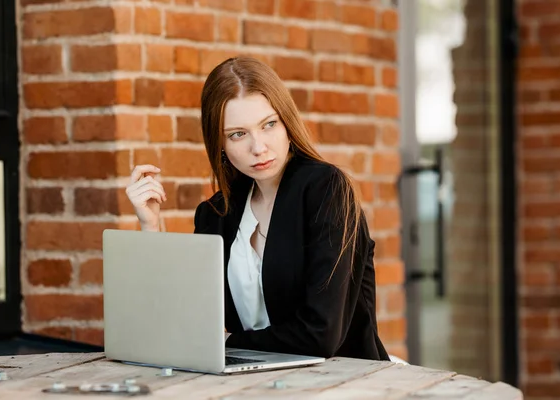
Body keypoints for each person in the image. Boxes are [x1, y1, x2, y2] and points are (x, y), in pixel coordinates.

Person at [126, 57, 389, 361]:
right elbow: (186, 325)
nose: (258, 147)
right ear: (219, 144)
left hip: (344, 382)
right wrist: (152, 228)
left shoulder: (326, 189)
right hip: (250, 383)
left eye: (268, 125)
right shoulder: (216, 214)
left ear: (287, 123)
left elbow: (321, 335)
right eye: (238, 134)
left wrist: (226, 341)